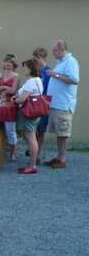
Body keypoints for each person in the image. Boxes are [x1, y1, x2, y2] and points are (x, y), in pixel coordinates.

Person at [44, 39, 80, 169]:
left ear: (61, 49)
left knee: (63, 134)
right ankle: (59, 157)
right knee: (60, 133)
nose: (53, 53)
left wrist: (55, 74)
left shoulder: (71, 61)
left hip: (64, 104)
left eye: (54, 50)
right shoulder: (61, 62)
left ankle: (63, 159)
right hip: (56, 104)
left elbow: (74, 80)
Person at [13, 58, 44, 174]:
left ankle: (32, 166)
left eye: (25, 67)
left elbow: (22, 99)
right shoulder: (37, 80)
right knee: (30, 137)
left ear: (31, 68)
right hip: (32, 113)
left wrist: (15, 100)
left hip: (28, 113)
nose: (24, 69)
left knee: (31, 139)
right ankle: (32, 164)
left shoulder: (31, 82)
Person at [0, 54, 19, 161]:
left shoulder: (16, 76)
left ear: (14, 64)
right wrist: (4, 87)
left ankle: (12, 153)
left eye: (10, 62)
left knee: (10, 130)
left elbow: (13, 90)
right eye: (6, 61)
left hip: (9, 106)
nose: (8, 64)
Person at [33, 47, 52, 163]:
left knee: (41, 130)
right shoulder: (36, 71)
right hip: (34, 103)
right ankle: (34, 150)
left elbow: (50, 89)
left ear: (42, 58)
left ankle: (38, 155)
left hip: (44, 103)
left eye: (37, 59)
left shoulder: (49, 71)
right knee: (33, 129)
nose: (35, 61)